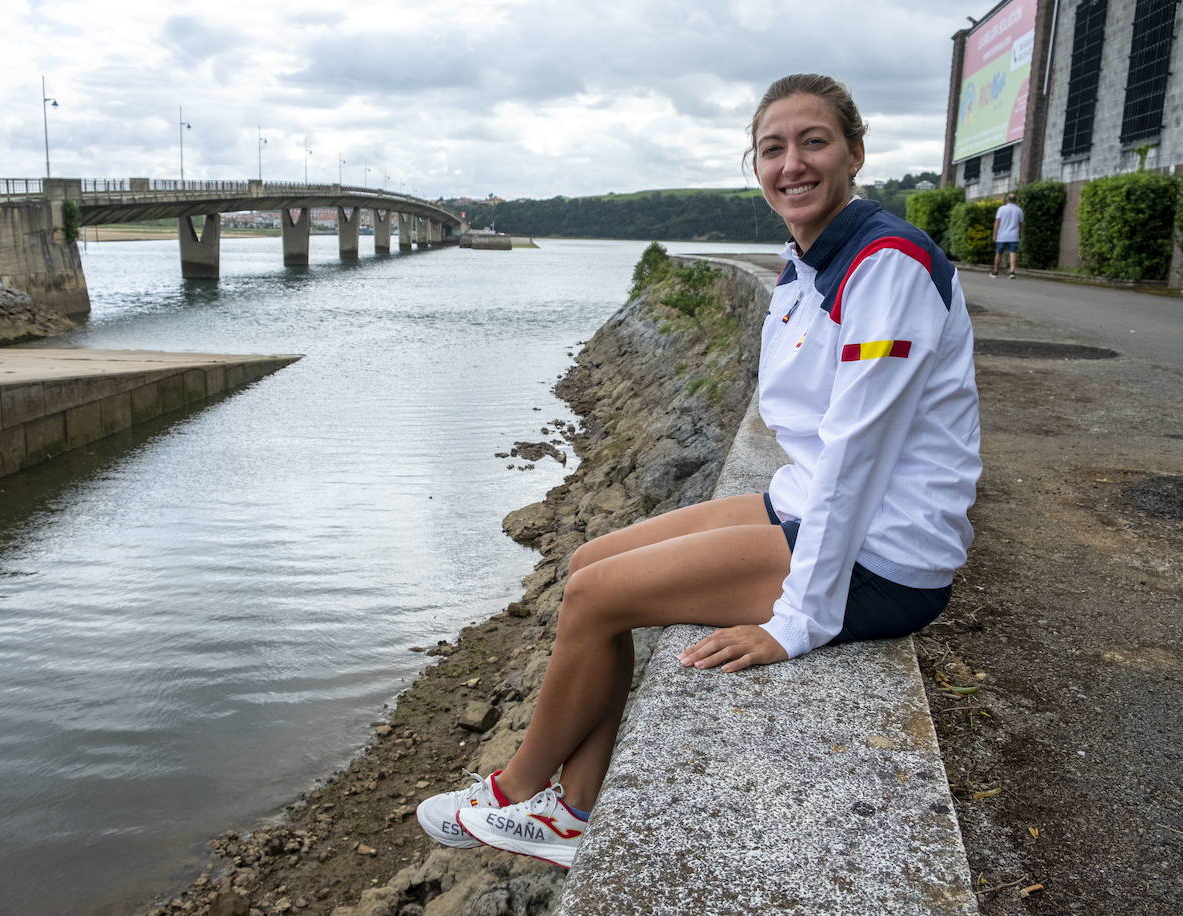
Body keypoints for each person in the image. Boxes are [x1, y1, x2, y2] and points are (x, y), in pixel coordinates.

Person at [415, 73, 981, 870]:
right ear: (755, 164)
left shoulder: (884, 264)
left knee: (592, 596)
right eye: (772, 148)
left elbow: (856, 457)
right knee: (586, 563)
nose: (791, 163)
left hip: (882, 554)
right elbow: (820, 450)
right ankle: (572, 809)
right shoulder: (814, 259)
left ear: (856, 151)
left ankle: (515, 793)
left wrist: (797, 623)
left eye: (813, 141)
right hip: (814, 505)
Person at [990, 191, 1025, 278]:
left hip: (1001, 235)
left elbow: (997, 222)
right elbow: (1021, 224)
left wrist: (995, 234)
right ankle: (1012, 272)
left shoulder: (1001, 209)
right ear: (1015, 200)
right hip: (1013, 236)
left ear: (1007, 200)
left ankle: (995, 272)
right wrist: (1020, 231)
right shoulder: (1019, 210)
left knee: (998, 253)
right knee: (1013, 253)